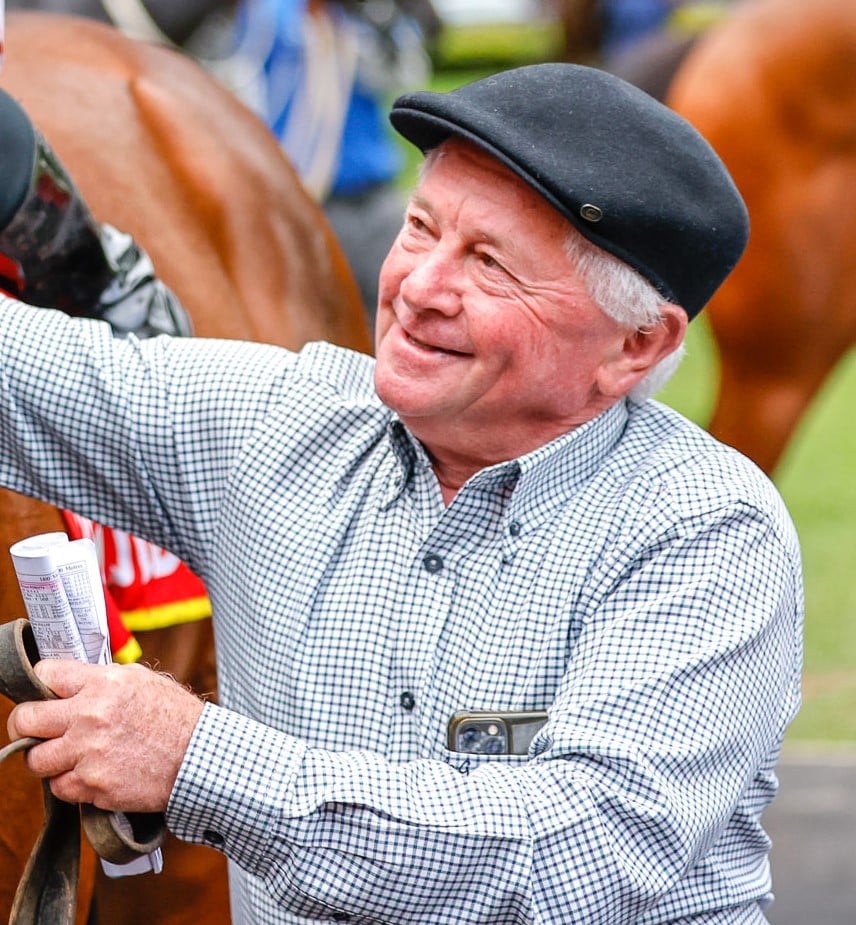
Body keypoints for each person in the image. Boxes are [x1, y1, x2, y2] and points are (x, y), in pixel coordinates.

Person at [0, 63, 803, 924]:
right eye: (421, 229)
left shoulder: (709, 530)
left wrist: (196, 760)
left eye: (490, 264)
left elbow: (581, 854)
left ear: (637, 345)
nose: (418, 288)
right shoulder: (277, 423)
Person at [230, 0, 438, 325]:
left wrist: (375, 22)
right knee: (311, 311)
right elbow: (237, 68)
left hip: (372, 196)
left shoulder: (362, 15)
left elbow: (407, 73)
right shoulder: (270, 14)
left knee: (397, 303)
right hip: (301, 198)